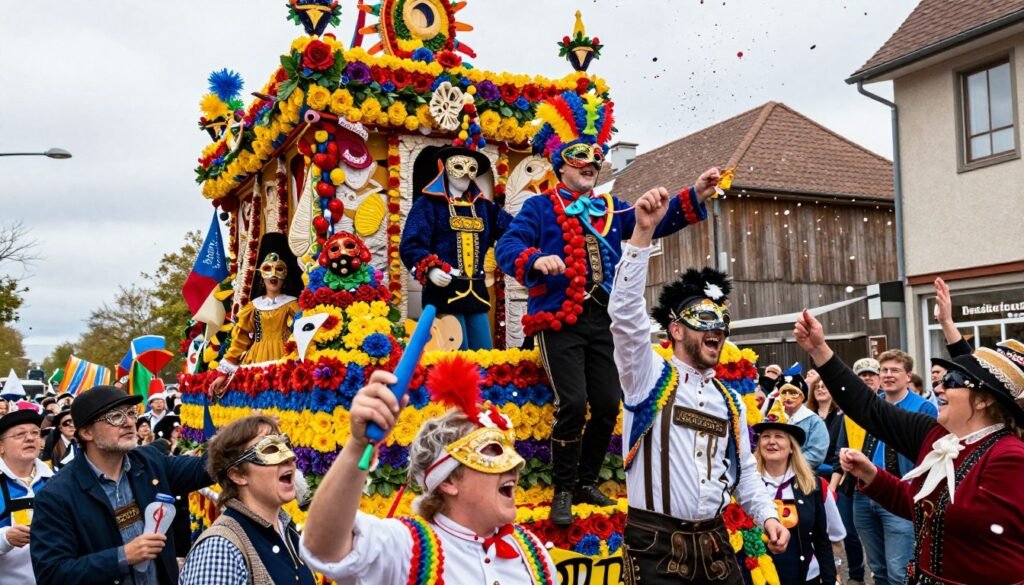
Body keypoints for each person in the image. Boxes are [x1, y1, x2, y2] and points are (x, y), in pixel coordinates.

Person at [496, 90, 720, 525]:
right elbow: (508, 246)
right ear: (561, 163)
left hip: (605, 322)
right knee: (574, 403)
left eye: (597, 157)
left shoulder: (612, 208)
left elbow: (659, 219)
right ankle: (563, 488)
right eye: (581, 156)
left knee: (607, 402)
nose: (591, 163)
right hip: (558, 321)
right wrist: (535, 260)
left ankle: (585, 480)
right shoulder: (541, 207)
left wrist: (695, 192)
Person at [607, 186, 787, 584]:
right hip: (654, 544)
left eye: (722, 325)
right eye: (704, 322)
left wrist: (769, 517)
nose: (717, 331)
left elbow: (744, 474)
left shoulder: (729, 401)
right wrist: (642, 236)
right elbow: (624, 315)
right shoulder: (648, 375)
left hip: (713, 541)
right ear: (674, 330)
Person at [796, 310, 1024, 585]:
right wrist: (820, 351)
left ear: (984, 400)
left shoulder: (1010, 456)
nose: (939, 388)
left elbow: (951, 517)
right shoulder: (935, 435)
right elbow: (870, 409)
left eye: (951, 381)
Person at [299, 359, 558, 583]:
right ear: (448, 482)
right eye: (492, 452)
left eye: (512, 453)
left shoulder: (532, 552)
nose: (515, 466)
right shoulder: (404, 547)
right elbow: (323, 547)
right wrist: (358, 446)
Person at [30, 385, 214, 585]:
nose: (129, 423)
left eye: (131, 413)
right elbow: (52, 574)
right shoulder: (57, 494)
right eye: (115, 417)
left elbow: (206, 467)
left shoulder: (148, 462)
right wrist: (122, 556)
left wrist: (248, 436)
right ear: (86, 432)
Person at [400, 144, 512, 350]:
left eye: (472, 168)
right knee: (454, 357)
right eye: (458, 166)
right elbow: (411, 244)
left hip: (476, 296)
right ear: (445, 167)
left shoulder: (486, 208)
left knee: (484, 354)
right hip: (443, 294)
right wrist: (431, 269)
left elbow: (513, 232)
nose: (465, 174)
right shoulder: (427, 205)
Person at [180, 415, 314, 585]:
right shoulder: (220, 550)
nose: (290, 457)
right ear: (238, 475)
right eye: (270, 450)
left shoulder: (287, 529)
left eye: (286, 445)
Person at [209, 233, 303, 397]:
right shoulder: (253, 307)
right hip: (255, 359)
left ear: (285, 275)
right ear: (261, 274)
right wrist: (223, 373)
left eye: (279, 270)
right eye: (268, 269)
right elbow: (240, 340)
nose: (273, 276)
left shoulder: (293, 304)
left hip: (285, 358)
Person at [752, 419, 842, 585]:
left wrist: (830, 578)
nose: (771, 442)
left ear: (792, 447)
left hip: (807, 576)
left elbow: (823, 538)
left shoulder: (813, 483)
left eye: (779, 436)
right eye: (765, 437)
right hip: (758, 577)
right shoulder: (747, 487)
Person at [0, 410, 53, 583]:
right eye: (20, 434)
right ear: (1, 446)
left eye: (35, 433)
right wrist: (5, 538)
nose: (30, 438)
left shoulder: (56, 479)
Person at [771, 373, 830, 469]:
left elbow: (816, 455)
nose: (788, 397)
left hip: (801, 475)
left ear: (802, 397)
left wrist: (787, 465)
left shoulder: (815, 422)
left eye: (793, 393)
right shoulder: (772, 418)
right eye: (784, 393)